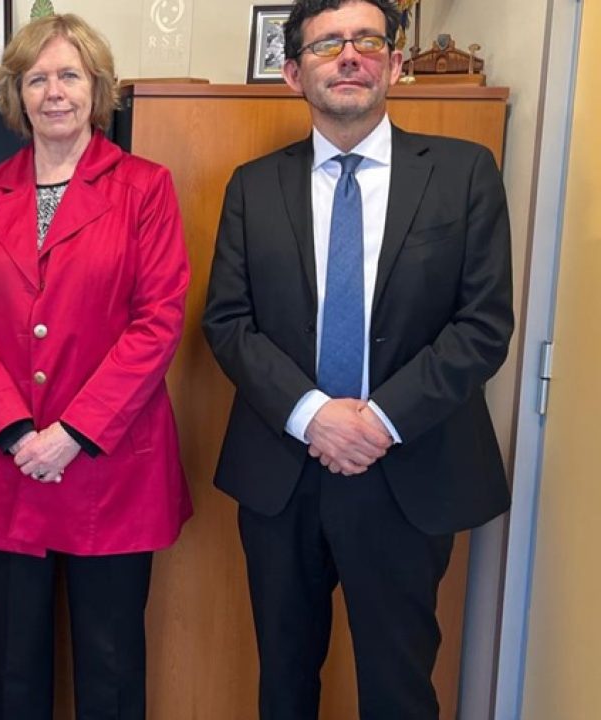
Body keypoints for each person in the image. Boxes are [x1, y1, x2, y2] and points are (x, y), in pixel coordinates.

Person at [201, 1, 513, 718]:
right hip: (284, 472)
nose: (348, 56)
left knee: (399, 689)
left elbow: (483, 325)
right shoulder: (252, 186)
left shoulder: (463, 174)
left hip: (409, 467)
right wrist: (315, 416)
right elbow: (229, 322)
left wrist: (379, 421)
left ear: (395, 64)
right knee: (284, 684)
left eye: (367, 41)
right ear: (293, 74)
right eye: (326, 45)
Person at [0, 14, 192, 720]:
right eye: (37, 78)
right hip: (9, 465)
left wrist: (73, 433)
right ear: (16, 94)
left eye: (69, 76)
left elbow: (159, 320)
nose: (54, 92)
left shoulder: (145, 187)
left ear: (97, 88)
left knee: (111, 668)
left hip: (109, 468)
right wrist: (16, 430)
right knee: (14, 669)